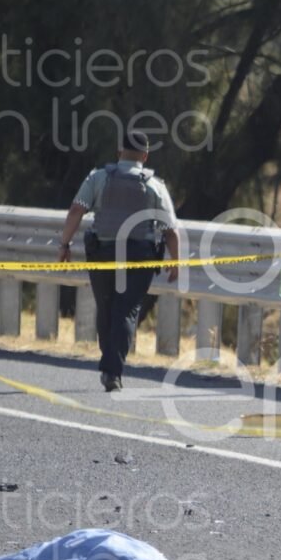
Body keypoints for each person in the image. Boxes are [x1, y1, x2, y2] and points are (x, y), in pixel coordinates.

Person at [57, 130, 180, 392]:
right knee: (127, 310)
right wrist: (175, 260)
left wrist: (64, 244)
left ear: (119, 151)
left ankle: (110, 365)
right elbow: (170, 229)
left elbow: (77, 208)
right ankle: (112, 370)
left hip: (103, 253)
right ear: (145, 156)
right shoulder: (155, 185)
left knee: (106, 306)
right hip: (139, 257)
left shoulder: (99, 177)